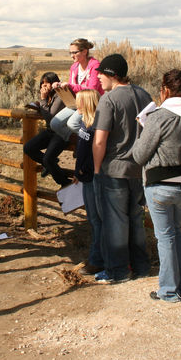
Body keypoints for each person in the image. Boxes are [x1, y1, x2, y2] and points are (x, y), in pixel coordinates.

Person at [131, 68, 181, 302]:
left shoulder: (159, 117)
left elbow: (139, 155)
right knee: (175, 235)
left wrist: (143, 127)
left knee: (165, 238)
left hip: (160, 185)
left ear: (165, 90)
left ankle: (169, 291)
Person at [92, 53, 152, 283]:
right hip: (139, 169)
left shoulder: (109, 100)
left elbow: (99, 140)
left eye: (101, 74)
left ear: (111, 74)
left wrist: (97, 169)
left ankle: (118, 271)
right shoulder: (144, 94)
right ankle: (141, 266)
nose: (98, 79)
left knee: (115, 222)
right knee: (135, 219)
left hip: (114, 169)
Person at [73, 89, 104, 276]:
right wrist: (78, 171)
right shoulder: (86, 123)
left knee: (96, 220)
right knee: (92, 219)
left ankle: (97, 260)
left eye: (79, 101)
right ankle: (96, 257)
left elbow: (95, 153)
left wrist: (86, 170)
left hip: (92, 178)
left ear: (87, 102)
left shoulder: (95, 127)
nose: (76, 105)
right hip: (85, 176)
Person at [23, 72, 72, 188]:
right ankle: (51, 164)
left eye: (47, 83)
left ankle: (65, 182)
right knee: (28, 148)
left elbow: (51, 117)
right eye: (42, 84)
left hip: (61, 132)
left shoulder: (60, 95)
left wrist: (42, 100)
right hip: (51, 131)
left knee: (48, 159)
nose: (44, 86)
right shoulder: (50, 96)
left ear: (54, 83)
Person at [50, 38, 104, 142]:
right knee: (55, 124)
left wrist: (71, 86)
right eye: (70, 52)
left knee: (72, 123)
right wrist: (60, 86)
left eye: (75, 52)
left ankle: (93, 142)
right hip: (76, 102)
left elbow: (92, 90)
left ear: (84, 51)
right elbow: (72, 87)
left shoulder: (95, 65)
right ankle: (78, 142)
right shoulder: (74, 67)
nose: (72, 56)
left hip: (90, 103)